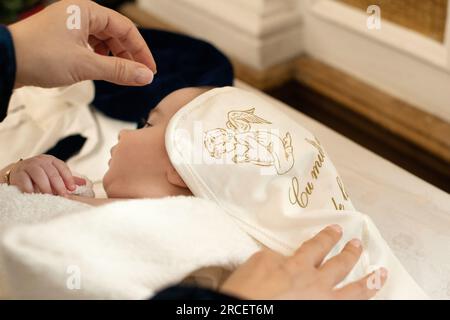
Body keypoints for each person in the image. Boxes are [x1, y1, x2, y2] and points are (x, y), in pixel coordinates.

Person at [0, 0, 386, 300]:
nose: (125, 136)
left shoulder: (200, 233)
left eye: (148, 124)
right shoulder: (86, 189)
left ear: (182, 169)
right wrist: (15, 176)